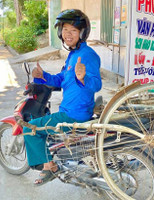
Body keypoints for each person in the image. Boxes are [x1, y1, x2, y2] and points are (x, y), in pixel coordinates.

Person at [23, 9, 102, 186]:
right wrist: (43, 76)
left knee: (30, 128)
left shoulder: (88, 55)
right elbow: (61, 79)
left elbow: (96, 84)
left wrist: (84, 78)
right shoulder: (73, 55)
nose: (68, 34)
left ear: (82, 33)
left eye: (73, 30)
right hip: (71, 110)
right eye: (65, 29)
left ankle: (49, 167)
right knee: (46, 126)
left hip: (74, 114)